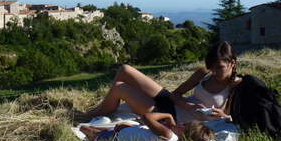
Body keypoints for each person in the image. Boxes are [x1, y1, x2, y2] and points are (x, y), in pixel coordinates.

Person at [85, 41, 242, 124]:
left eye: (219, 67)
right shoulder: (203, 73)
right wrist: (188, 105)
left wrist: (223, 115)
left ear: (232, 63)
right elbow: (175, 95)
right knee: (125, 69)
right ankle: (99, 110)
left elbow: (237, 118)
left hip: (170, 116)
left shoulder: (236, 86)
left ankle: (88, 116)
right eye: (211, 67)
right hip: (173, 104)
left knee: (120, 88)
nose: (214, 71)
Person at [79, 111, 216, 141]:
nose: (181, 123)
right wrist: (128, 127)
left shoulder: (168, 134)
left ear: (184, 132)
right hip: (121, 133)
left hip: (114, 139)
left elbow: (146, 117)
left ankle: (80, 127)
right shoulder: (171, 140)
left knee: (85, 129)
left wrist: (168, 115)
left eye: (184, 125)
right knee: (96, 127)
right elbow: (144, 133)